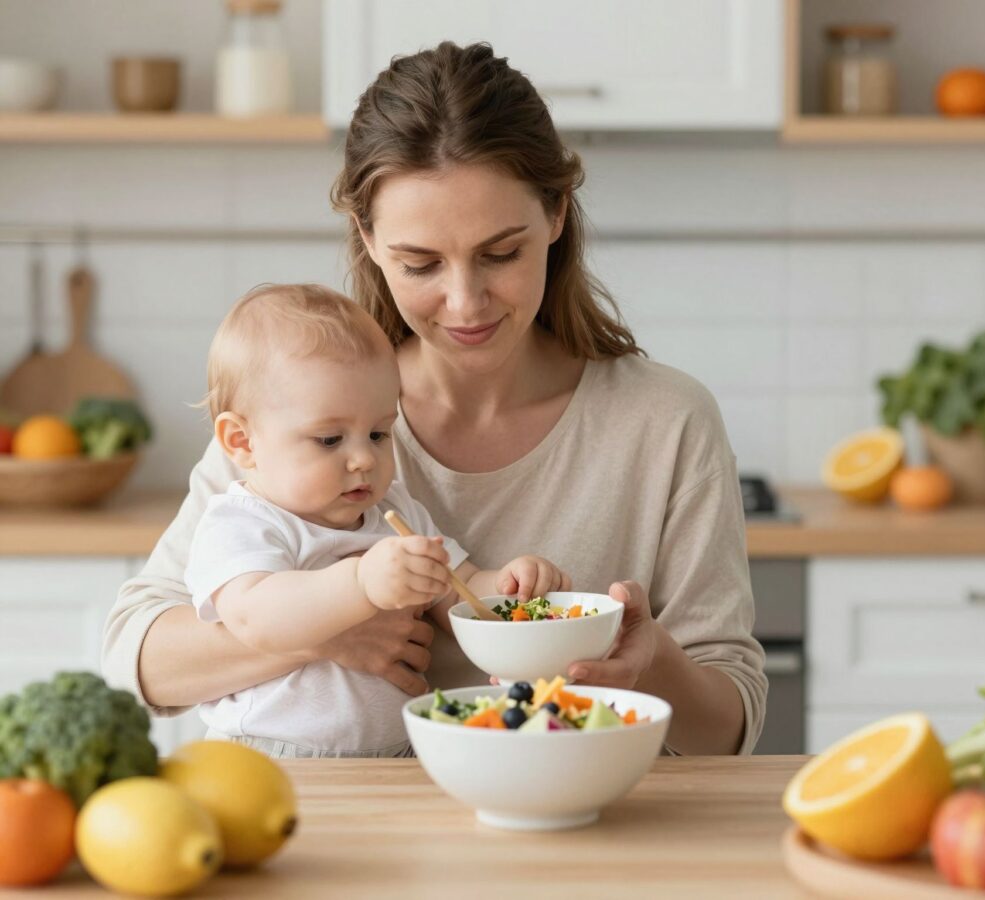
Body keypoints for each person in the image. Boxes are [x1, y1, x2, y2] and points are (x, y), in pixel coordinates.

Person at [103, 41, 766, 756]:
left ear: (556, 214)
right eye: (420, 263)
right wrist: (327, 632)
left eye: (501, 254)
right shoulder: (301, 413)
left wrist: (650, 661)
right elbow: (138, 660)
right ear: (369, 238)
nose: (464, 302)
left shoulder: (667, 422)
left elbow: (729, 730)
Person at [183, 283, 568, 757]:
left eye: (379, 434)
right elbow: (256, 618)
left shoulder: (397, 512)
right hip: (274, 754)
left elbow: (459, 589)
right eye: (330, 439)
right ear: (242, 442)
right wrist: (361, 583)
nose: (364, 459)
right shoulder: (242, 522)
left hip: (397, 752)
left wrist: (510, 587)